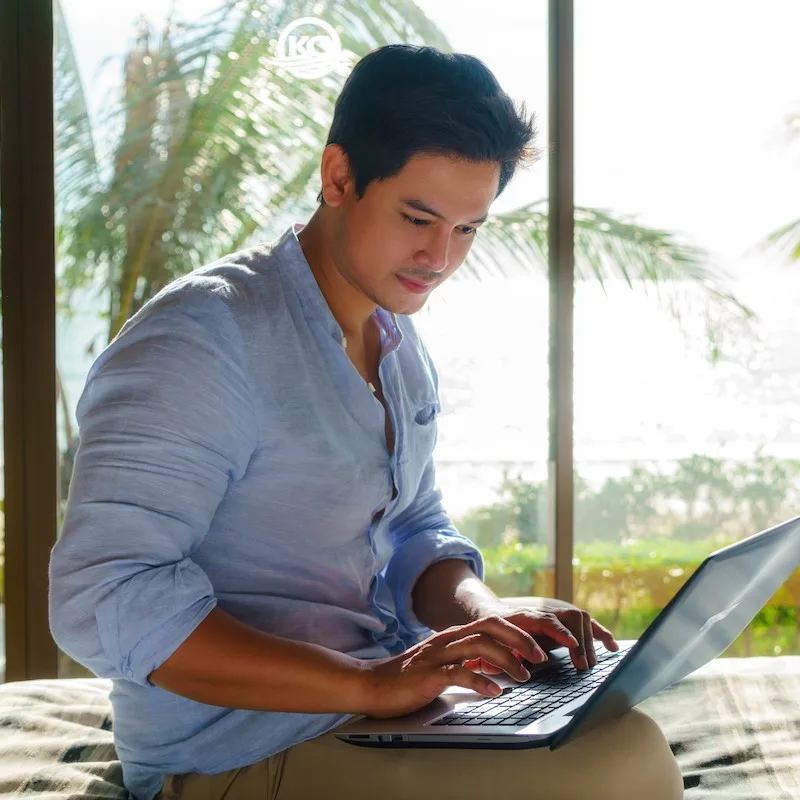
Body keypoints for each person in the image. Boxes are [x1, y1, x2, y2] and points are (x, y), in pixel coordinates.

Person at [49, 44, 683, 800]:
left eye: (468, 229)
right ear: (339, 177)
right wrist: (372, 683)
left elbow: (412, 525)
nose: (439, 257)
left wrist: (490, 617)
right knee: (618, 768)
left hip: (372, 707)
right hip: (229, 749)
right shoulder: (200, 341)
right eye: (418, 217)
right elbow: (105, 596)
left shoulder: (394, 339)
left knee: (622, 726)